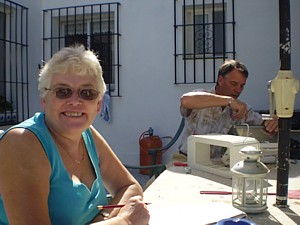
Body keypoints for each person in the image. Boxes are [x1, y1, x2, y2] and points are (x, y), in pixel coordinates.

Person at [0, 45, 150, 225]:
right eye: (62, 91)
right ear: (43, 101)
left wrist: (105, 220)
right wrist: (125, 221)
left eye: (87, 93)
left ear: (98, 104)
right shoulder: (22, 142)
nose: (75, 101)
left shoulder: (87, 134)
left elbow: (129, 186)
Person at [176, 59, 278, 160]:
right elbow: (185, 100)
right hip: (186, 160)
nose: (238, 90)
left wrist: (272, 123)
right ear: (220, 80)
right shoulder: (202, 96)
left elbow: (263, 123)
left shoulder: (242, 108)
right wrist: (228, 101)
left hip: (217, 164)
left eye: (242, 86)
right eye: (234, 84)